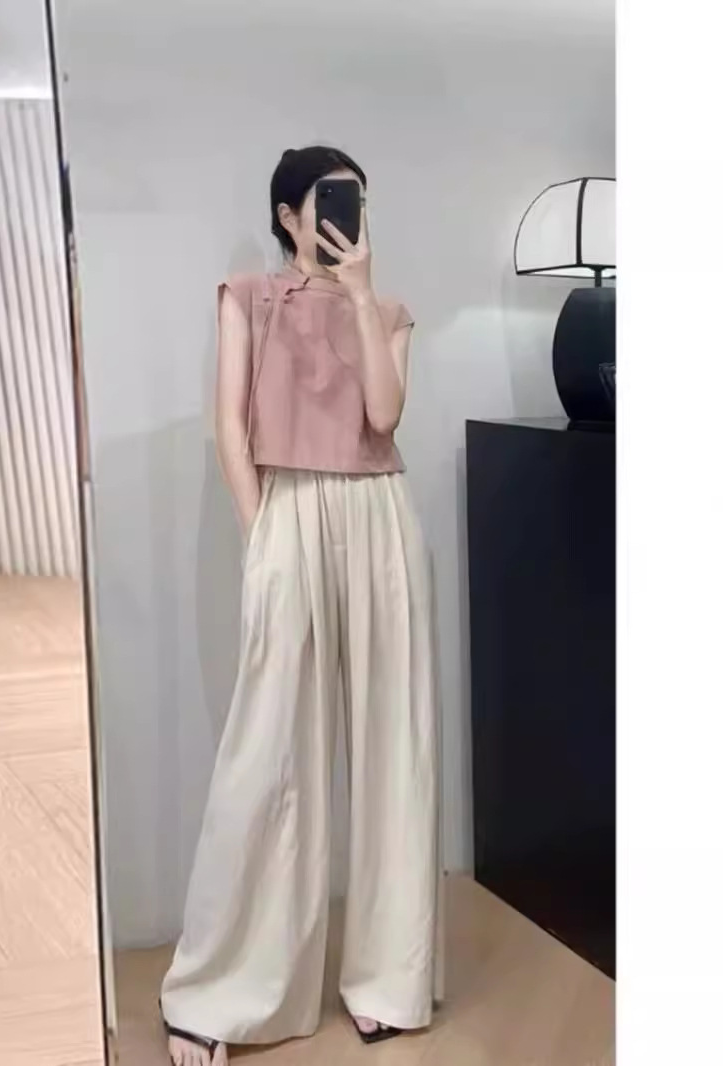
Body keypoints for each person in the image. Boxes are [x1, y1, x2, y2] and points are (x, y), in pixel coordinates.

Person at [160, 146, 439, 1066]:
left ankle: (388, 979)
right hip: (288, 510)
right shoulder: (247, 297)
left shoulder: (387, 311)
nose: (346, 213)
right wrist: (261, 538)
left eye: (357, 199)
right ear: (288, 215)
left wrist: (360, 296)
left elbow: (385, 418)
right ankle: (226, 989)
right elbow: (229, 426)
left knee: (393, 745)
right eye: (329, 199)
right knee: (269, 751)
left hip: (379, 515)